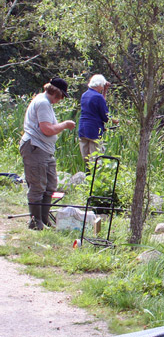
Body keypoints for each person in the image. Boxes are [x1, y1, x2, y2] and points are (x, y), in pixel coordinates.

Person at [19, 78, 76, 230]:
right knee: (37, 185)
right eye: (62, 95)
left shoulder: (46, 103)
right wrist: (64, 125)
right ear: (57, 93)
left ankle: (44, 219)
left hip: (45, 149)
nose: (62, 99)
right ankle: (35, 221)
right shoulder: (43, 102)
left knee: (50, 185)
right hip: (35, 147)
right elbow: (47, 129)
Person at [78, 74, 117, 166]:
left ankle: (87, 177)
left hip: (83, 129)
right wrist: (116, 121)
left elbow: (98, 104)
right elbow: (105, 116)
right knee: (96, 160)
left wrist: (105, 92)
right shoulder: (98, 97)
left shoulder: (84, 95)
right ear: (99, 84)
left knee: (87, 159)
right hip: (94, 130)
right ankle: (95, 179)